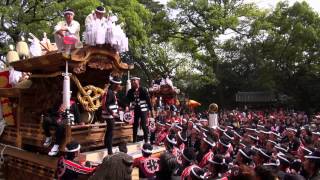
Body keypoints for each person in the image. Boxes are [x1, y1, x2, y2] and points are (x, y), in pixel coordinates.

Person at [126, 76, 153, 143]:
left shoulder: (143, 89)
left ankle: (146, 140)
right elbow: (127, 100)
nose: (133, 82)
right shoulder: (130, 91)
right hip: (136, 109)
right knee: (135, 124)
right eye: (132, 81)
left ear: (138, 81)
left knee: (143, 125)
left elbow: (148, 100)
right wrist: (127, 106)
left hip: (144, 109)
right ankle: (134, 140)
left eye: (134, 80)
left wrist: (151, 110)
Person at [101, 76, 122, 155]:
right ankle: (110, 151)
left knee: (108, 131)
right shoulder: (109, 92)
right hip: (109, 116)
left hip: (109, 115)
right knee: (110, 133)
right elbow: (105, 105)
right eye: (119, 85)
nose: (120, 86)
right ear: (115, 85)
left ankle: (106, 146)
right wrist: (112, 113)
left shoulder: (111, 92)